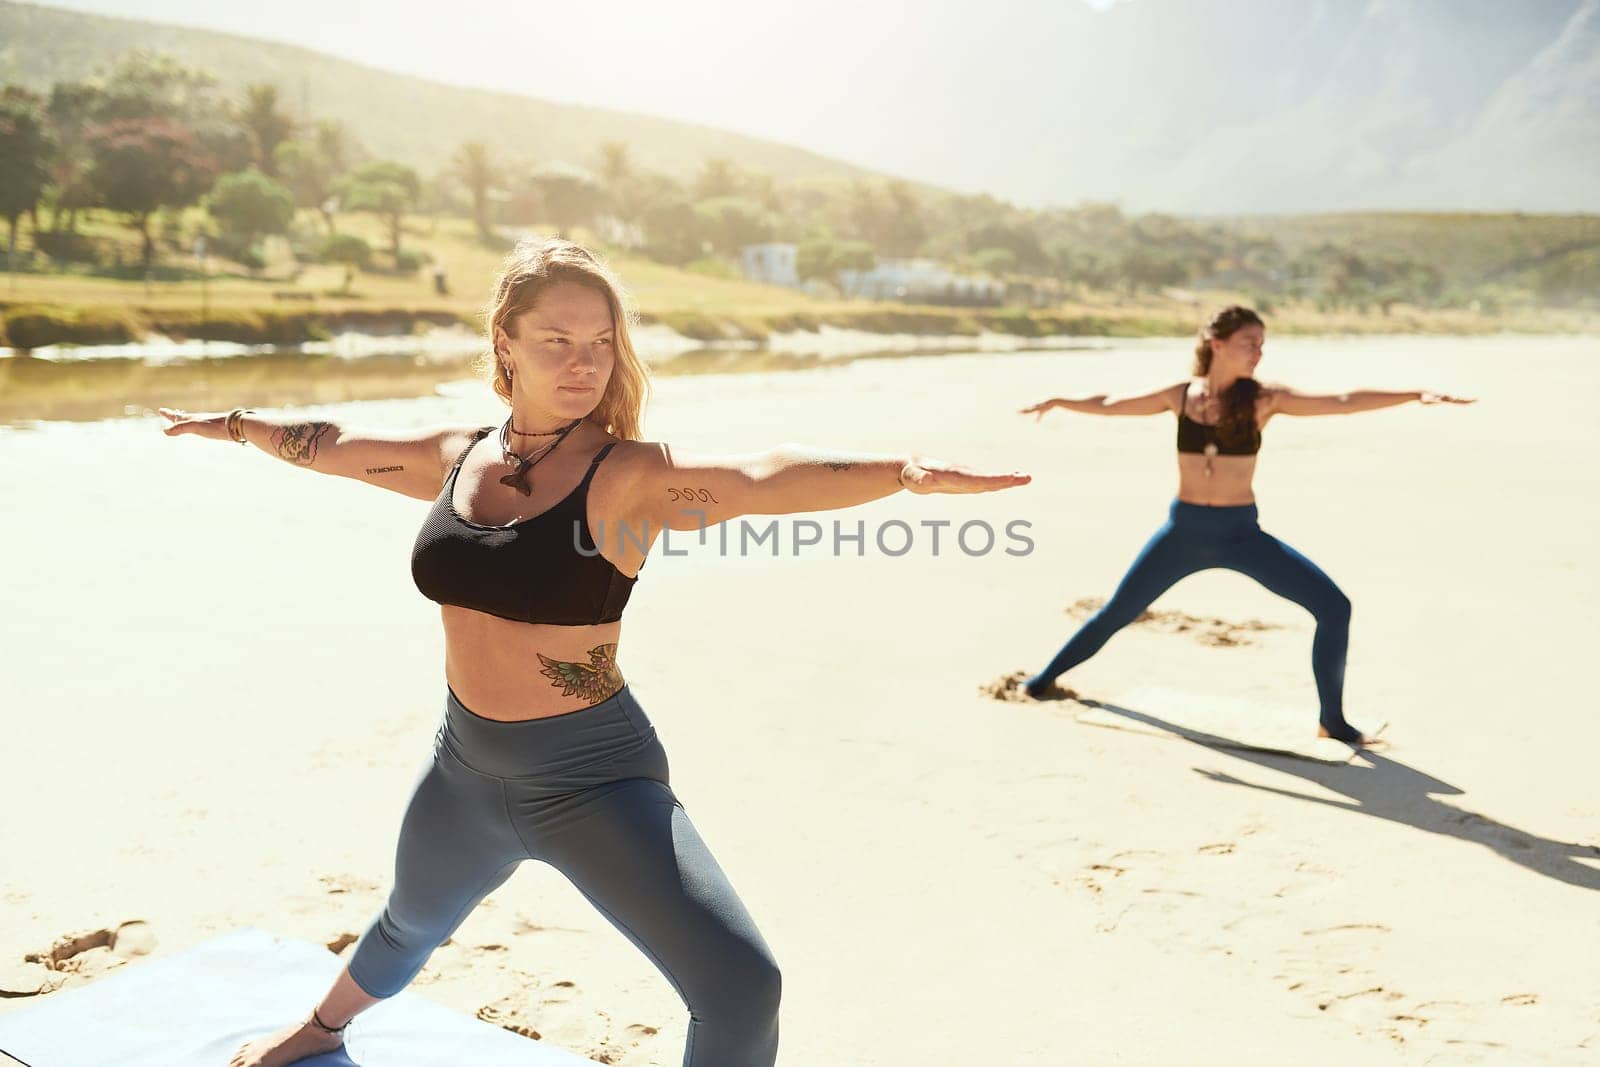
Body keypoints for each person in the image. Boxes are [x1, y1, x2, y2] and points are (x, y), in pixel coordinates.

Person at [158, 237, 1030, 1067]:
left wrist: (904, 471)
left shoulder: (631, 477)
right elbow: (338, 447)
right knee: (406, 924)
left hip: (594, 778)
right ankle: (316, 1029)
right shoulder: (457, 458)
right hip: (464, 768)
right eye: (557, 340)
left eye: (602, 344)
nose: (583, 363)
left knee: (741, 986)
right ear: (506, 343)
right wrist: (235, 424)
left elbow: (763, 476)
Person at [1016, 304, 1473, 744]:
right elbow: (1112, 403)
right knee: (1116, 612)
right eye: (1249, 342)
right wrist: (1059, 400)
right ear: (1216, 344)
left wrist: (1413, 395)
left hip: (1240, 535)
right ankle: (1040, 683)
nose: (1258, 352)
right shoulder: (1180, 395)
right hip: (1184, 533)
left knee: (1334, 607)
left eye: (1262, 344)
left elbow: (1344, 401)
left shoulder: (1264, 400)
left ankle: (1332, 720)